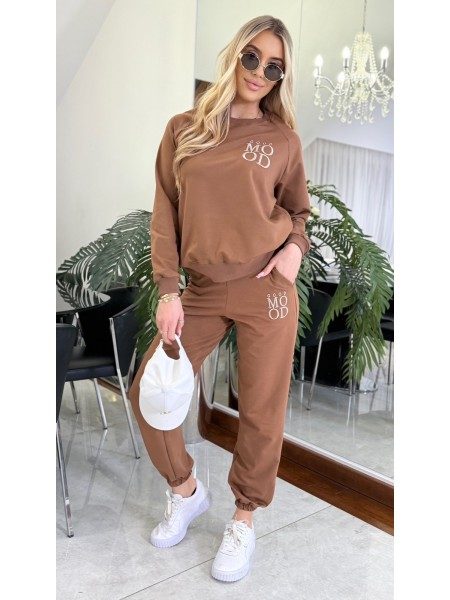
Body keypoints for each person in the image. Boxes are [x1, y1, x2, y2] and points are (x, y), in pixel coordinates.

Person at [128, 15, 312, 583]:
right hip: (202, 289)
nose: (259, 72)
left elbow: (298, 213)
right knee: (150, 391)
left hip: (267, 290)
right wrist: (168, 289)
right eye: (252, 57)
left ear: (281, 78)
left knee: (260, 408)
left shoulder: (282, 140)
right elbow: (165, 213)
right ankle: (186, 491)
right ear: (234, 54)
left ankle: (244, 517)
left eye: (274, 67)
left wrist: (293, 250)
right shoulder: (183, 129)